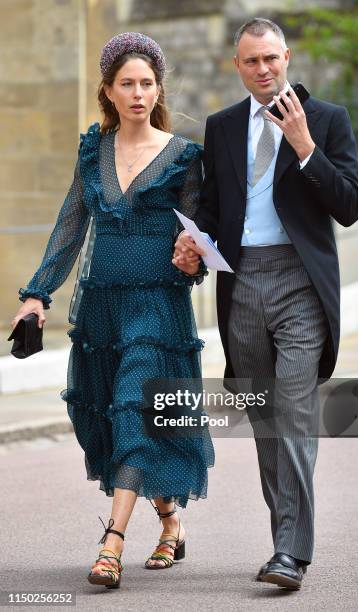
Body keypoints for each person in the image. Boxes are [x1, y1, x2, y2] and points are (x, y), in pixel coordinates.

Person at [12, 32, 214, 588]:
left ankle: (111, 542)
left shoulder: (183, 157)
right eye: (127, 83)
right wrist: (37, 294)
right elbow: (69, 228)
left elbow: (195, 244)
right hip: (101, 312)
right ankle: (169, 520)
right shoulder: (93, 152)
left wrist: (191, 259)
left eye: (147, 83)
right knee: (104, 417)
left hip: (157, 308)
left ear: (158, 89)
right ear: (107, 89)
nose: (138, 93)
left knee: (133, 408)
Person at [174, 18, 358, 589]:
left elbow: (350, 205)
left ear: (287, 58)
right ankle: (285, 537)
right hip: (242, 284)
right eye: (252, 61)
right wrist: (193, 242)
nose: (263, 69)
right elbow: (213, 208)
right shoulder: (223, 126)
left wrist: (305, 147)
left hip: (301, 283)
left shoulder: (327, 120)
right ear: (238, 66)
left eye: (272, 59)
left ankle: (290, 552)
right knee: (266, 421)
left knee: (296, 413)